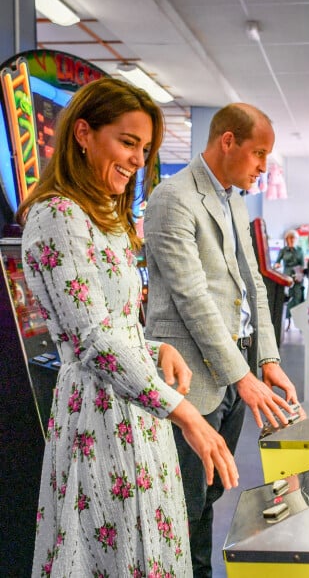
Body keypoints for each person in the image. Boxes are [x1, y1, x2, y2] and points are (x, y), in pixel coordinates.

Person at [16, 78, 238, 577]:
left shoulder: (103, 217)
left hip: (136, 408)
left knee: (147, 551)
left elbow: (112, 322)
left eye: (145, 148)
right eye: (128, 142)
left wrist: (155, 345)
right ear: (83, 133)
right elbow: (91, 339)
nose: (139, 159)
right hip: (98, 417)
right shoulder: (56, 216)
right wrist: (186, 413)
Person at [144, 102, 299, 577]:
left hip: (231, 375)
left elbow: (251, 282)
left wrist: (267, 358)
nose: (261, 167)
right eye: (258, 154)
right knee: (182, 503)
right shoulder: (173, 197)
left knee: (209, 495)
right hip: (190, 376)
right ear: (227, 141)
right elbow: (193, 298)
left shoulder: (233, 199)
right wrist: (243, 375)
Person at [274, 229, 305, 330]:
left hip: (298, 277)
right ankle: (287, 322)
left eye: (293, 238)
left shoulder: (300, 250)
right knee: (287, 299)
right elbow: (277, 262)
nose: (291, 240)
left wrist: (299, 275)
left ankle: (299, 323)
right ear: (286, 239)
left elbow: (302, 264)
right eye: (289, 238)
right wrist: (276, 265)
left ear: (296, 239)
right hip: (286, 278)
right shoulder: (283, 250)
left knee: (298, 299)